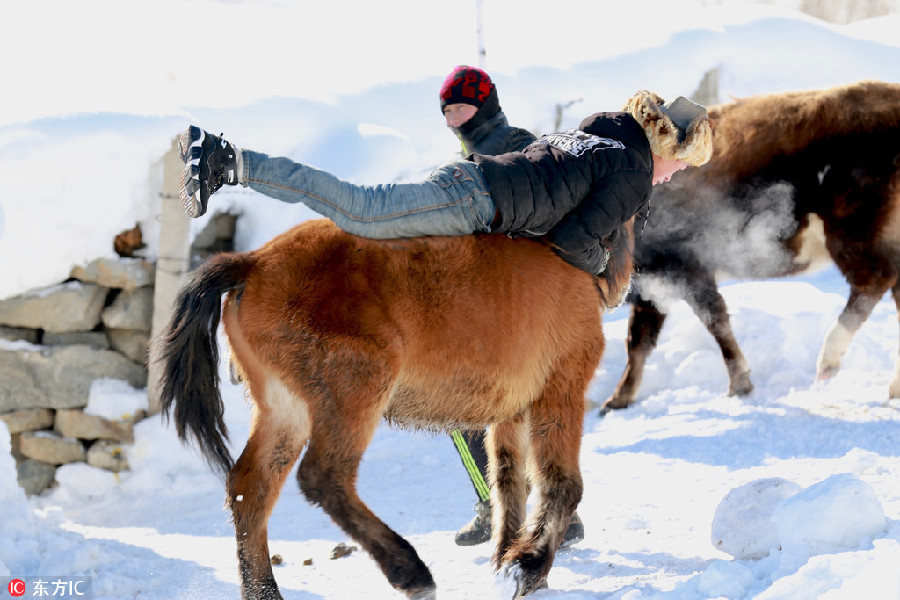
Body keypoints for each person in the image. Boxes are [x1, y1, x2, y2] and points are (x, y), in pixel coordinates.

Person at [178, 91, 711, 540]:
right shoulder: (634, 174)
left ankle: (499, 506)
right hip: (475, 201)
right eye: (679, 164)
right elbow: (573, 240)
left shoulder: (603, 130)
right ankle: (231, 161)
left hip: (479, 185)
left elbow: (546, 171)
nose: (672, 177)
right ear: (665, 145)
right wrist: (599, 274)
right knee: (360, 207)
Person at [438, 65, 587, 547]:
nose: (451, 118)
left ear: (483, 102)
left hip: (511, 300)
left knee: (468, 404)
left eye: (458, 107)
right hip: (509, 299)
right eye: (446, 110)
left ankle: (496, 506)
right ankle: (553, 509)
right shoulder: (492, 149)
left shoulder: (514, 148)